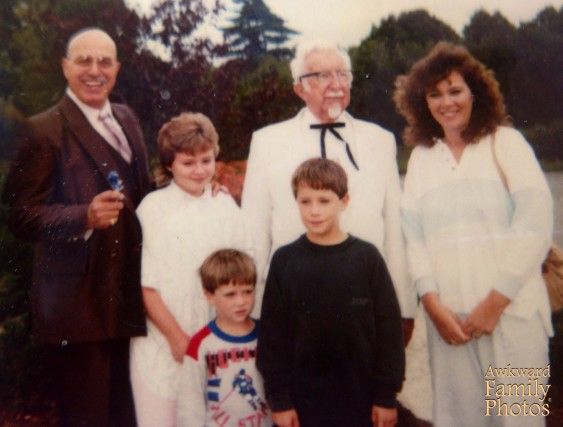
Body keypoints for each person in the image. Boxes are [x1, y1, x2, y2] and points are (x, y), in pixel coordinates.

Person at [394, 41, 553, 427]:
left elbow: (535, 226)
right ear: (422, 102)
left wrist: (494, 305)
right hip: (450, 328)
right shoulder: (421, 160)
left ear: (475, 92)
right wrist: (432, 305)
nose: (446, 102)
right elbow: (413, 239)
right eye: (435, 94)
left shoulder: (506, 142)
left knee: (520, 420)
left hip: (512, 317)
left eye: (455, 90)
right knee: (459, 421)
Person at [1, 28, 151, 426]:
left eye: (104, 61)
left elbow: (142, 195)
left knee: (127, 415)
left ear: (117, 69)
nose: (94, 70)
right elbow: (19, 216)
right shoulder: (42, 130)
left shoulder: (127, 118)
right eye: (83, 60)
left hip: (127, 298)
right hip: (77, 309)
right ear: (65, 67)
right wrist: (82, 215)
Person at [241, 40, 416, 329]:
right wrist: (255, 308)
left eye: (342, 74)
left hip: (363, 298)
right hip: (294, 299)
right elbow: (254, 229)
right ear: (299, 88)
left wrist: (403, 306)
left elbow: (395, 229)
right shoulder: (267, 141)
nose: (335, 84)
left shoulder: (379, 140)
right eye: (321, 76)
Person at [257, 158, 405, 427]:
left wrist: (386, 396)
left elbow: (389, 331)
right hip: (303, 405)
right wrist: (279, 399)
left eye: (324, 201)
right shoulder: (284, 260)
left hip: (361, 401)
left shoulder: (366, 258)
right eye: (305, 201)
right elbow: (272, 336)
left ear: (344, 201)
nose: (314, 211)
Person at [129, 112, 250, 426]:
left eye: (206, 160)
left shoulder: (224, 205)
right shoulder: (153, 209)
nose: (199, 171)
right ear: (170, 164)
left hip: (215, 344)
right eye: (188, 162)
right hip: (163, 345)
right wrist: (176, 338)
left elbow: (241, 274)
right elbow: (144, 285)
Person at [177, 249, 272, 427]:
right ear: (209, 295)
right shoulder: (201, 344)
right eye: (230, 294)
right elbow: (190, 402)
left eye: (247, 291)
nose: (241, 301)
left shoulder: (268, 334)